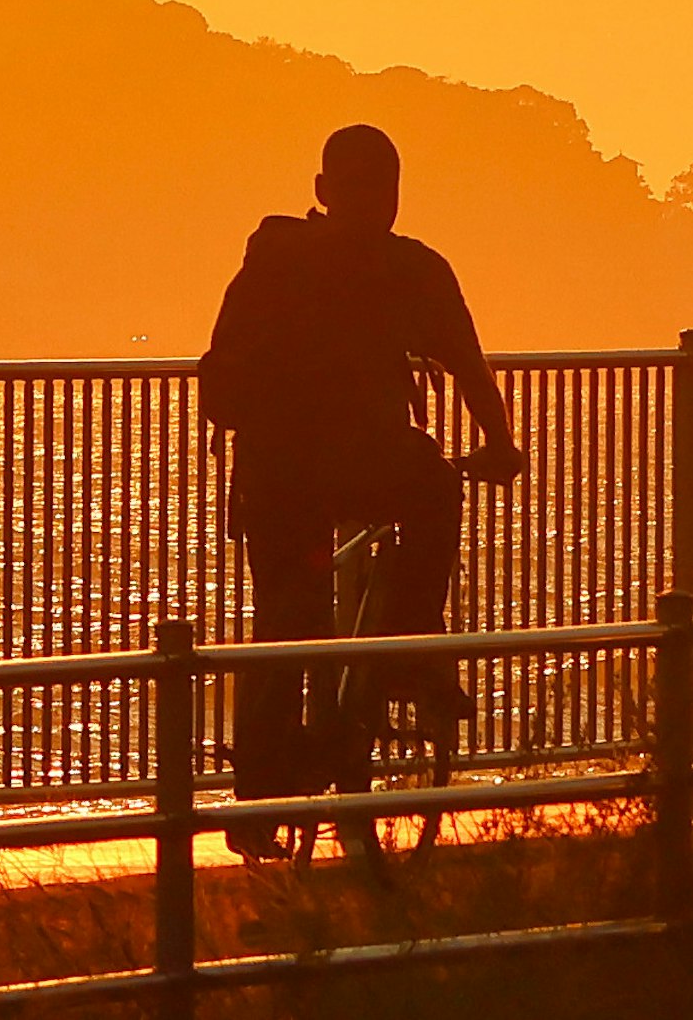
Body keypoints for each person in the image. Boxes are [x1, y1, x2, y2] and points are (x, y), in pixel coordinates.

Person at [197, 124, 524, 844]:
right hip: (365, 468)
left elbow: (222, 369)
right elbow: (469, 365)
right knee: (436, 485)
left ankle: (258, 803)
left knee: (284, 620)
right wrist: (498, 445)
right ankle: (409, 644)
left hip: (272, 476)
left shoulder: (273, 259)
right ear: (395, 196)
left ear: (321, 191)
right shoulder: (412, 268)